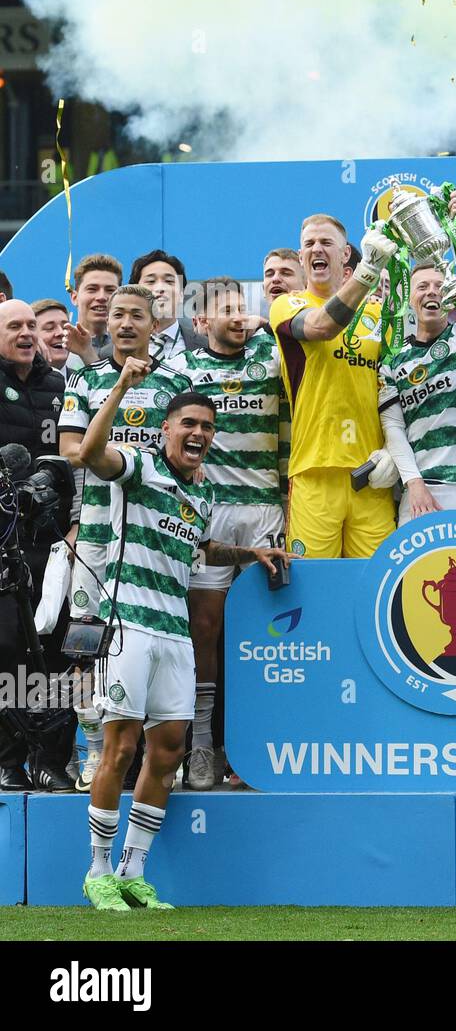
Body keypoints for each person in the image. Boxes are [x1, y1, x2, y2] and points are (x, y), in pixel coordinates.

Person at [74, 367, 288, 911]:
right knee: (121, 748)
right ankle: (97, 871)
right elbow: (91, 453)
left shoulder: (204, 490)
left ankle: (133, 872)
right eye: (189, 424)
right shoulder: (138, 467)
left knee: (167, 753)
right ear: (166, 429)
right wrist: (120, 388)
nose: (200, 434)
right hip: (128, 624)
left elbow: (202, 550)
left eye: (208, 427)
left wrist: (250, 554)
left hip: (175, 632)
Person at [60, 286, 194, 790]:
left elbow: (184, 454)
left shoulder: (175, 381)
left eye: (137, 315)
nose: (125, 324)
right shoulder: (86, 377)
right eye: (117, 315)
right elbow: (71, 448)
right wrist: (119, 457)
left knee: (152, 640)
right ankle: (91, 747)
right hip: (95, 530)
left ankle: (163, 755)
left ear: (154, 324)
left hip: (152, 538)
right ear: (106, 323)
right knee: (84, 642)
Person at [163, 278, 287, 790]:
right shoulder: (183, 370)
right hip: (211, 514)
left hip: (266, 511)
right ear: (201, 322)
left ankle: (261, 745)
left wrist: (270, 324)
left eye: (245, 307)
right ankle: (199, 747)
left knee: (270, 635)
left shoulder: (271, 354)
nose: (240, 315)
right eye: (228, 309)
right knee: (205, 632)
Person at [269, 211, 401, 559]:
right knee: (313, 587)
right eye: (309, 244)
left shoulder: (377, 315)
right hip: (315, 471)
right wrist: (367, 273)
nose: (317, 249)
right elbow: (321, 327)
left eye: (326, 242)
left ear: (345, 255)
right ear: (300, 258)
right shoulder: (288, 304)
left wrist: (394, 452)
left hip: (372, 474)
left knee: (375, 588)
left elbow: (396, 390)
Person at [0, 300, 77, 792]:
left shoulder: (59, 387)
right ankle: (8, 759)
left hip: (53, 543)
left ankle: (51, 759)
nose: (28, 333)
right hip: (3, 542)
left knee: (55, 648)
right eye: (15, 326)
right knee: (8, 650)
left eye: (32, 325)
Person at [378, 221, 456, 522]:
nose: (433, 292)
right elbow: (394, 429)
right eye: (423, 286)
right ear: (409, 298)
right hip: (419, 492)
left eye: (440, 287)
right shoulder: (393, 360)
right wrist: (413, 483)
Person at [129, 250, 204, 361]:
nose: (160, 288)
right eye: (151, 281)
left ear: (182, 294)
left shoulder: (206, 346)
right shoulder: (111, 350)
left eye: (169, 281)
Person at [63, 254, 123, 369]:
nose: (101, 297)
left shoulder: (133, 349)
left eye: (110, 290)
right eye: (92, 289)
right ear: (74, 297)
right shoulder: (58, 348)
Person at [32, 299, 71, 372]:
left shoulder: (84, 381)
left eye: (65, 327)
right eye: (49, 328)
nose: (61, 332)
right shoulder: (16, 381)